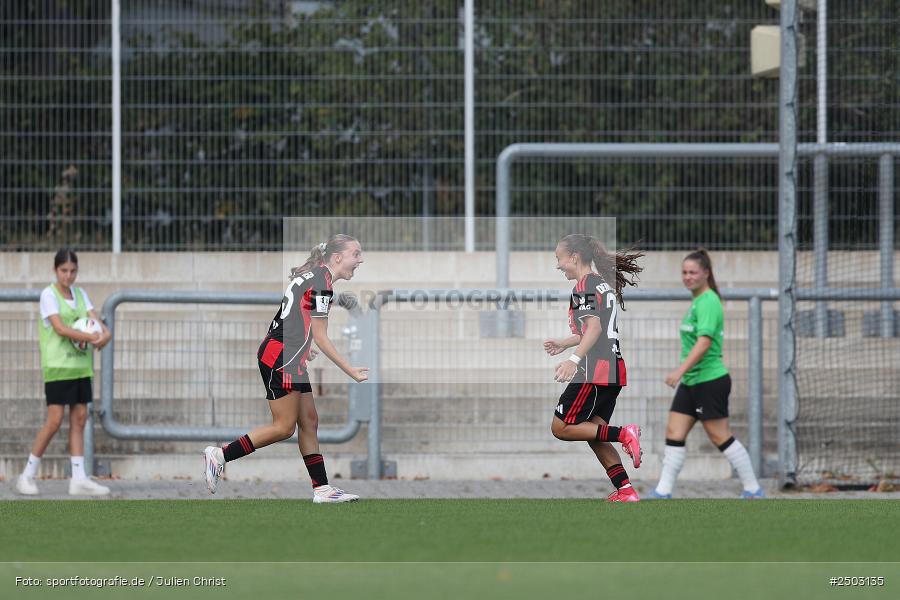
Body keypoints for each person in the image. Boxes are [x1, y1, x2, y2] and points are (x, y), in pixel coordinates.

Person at [203, 234, 368, 503]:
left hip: (288, 355)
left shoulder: (313, 276)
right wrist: (350, 370)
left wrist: (304, 346)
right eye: (356, 254)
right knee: (283, 427)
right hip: (283, 358)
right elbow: (322, 335)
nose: (360, 259)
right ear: (338, 257)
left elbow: (288, 316)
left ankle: (322, 489)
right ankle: (219, 455)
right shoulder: (322, 283)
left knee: (309, 421)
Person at [647, 249, 765, 499]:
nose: (688, 277)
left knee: (719, 435)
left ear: (706, 273)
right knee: (674, 433)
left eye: (693, 272)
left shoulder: (709, 301)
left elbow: (704, 342)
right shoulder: (697, 302)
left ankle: (753, 488)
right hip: (692, 382)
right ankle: (663, 491)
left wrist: (679, 370)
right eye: (684, 272)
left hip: (709, 381)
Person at [542, 234, 645, 502]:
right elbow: (591, 330)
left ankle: (625, 433)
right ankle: (626, 490)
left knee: (561, 427)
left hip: (594, 370)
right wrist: (565, 343)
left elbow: (595, 328)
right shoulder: (600, 285)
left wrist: (573, 360)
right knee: (594, 432)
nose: (558, 265)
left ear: (574, 257)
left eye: (559, 259)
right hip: (612, 369)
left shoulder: (584, 286)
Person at [16, 248, 112, 496]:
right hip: (58, 367)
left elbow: (96, 320)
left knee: (80, 419)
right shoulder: (48, 295)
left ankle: (78, 478)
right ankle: (26, 475)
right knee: (54, 421)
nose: (68, 276)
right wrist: (91, 336)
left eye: (72, 271)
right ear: (55, 270)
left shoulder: (81, 294)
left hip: (81, 367)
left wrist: (106, 334)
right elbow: (59, 328)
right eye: (64, 271)